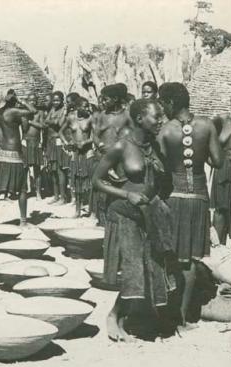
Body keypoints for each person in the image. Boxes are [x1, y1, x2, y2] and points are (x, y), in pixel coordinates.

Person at [93, 98, 174, 342]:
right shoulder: (121, 147)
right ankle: (113, 316)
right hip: (125, 213)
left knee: (153, 265)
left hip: (148, 213)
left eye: (161, 116)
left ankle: (137, 318)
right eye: (155, 116)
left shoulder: (155, 147)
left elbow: (160, 181)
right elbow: (97, 181)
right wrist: (127, 193)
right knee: (133, 269)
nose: (160, 120)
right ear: (139, 118)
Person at [157, 82, 222, 330]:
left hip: (174, 196)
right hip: (199, 198)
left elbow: (161, 170)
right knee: (193, 259)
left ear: (171, 103)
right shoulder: (206, 125)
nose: (162, 108)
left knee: (173, 254)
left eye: (163, 103)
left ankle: (168, 311)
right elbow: (216, 161)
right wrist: (201, 151)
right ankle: (183, 318)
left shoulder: (165, 131)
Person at [0, 89, 37, 227]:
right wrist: (22, 101)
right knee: (23, 188)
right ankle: (23, 221)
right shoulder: (13, 112)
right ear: (12, 99)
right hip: (14, 154)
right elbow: (33, 111)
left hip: (2, 155)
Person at [91, 83, 133, 225]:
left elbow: (133, 135)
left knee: (117, 189)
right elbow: (95, 135)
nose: (103, 102)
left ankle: (115, 219)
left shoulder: (127, 116)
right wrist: (100, 145)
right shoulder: (102, 115)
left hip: (120, 160)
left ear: (115, 99)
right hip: (103, 158)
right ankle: (102, 222)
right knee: (102, 190)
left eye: (106, 99)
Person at [60, 97, 94, 218]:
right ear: (78, 106)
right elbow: (61, 132)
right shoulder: (70, 118)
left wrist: (86, 142)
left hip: (88, 152)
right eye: (84, 106)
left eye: (88, 106)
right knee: (77, 181)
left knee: (90, 182)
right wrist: (67, 143)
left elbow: (95, 136)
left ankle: (91, 210)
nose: (87, 108)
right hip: (75, 153)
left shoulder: (90, 118)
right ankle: (78, 210)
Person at [211, 89, 231, 246]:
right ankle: (217, 251)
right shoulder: (222, 120)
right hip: (224, 168)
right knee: (220, 211)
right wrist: (211, 160)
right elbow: (205, 138)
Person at [44, 91, 69, 205]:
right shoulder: (52, 110)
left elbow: (59, 123)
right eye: (53, 100)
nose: (55, 102)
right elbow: (46, 122)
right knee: (53, 170)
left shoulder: (64, 110)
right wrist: (51, 121)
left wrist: (50, 121)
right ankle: (56, 195)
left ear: (62, 100)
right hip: (50, 142)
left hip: (58, 141)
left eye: (57, 100)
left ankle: (63, 197)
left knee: (60, 170)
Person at [21, 93, 45, 200]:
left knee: (37, 169)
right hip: (26, 142)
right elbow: (24, 129)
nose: (32, 102)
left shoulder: (40, 113)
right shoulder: (24, 113)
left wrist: (31, 121)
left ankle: (38, 192)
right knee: (24, 168)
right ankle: (24, 191)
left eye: (34, 100)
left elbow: (42, 125)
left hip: (36, 142)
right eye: (30, 100)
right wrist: (27, 119)